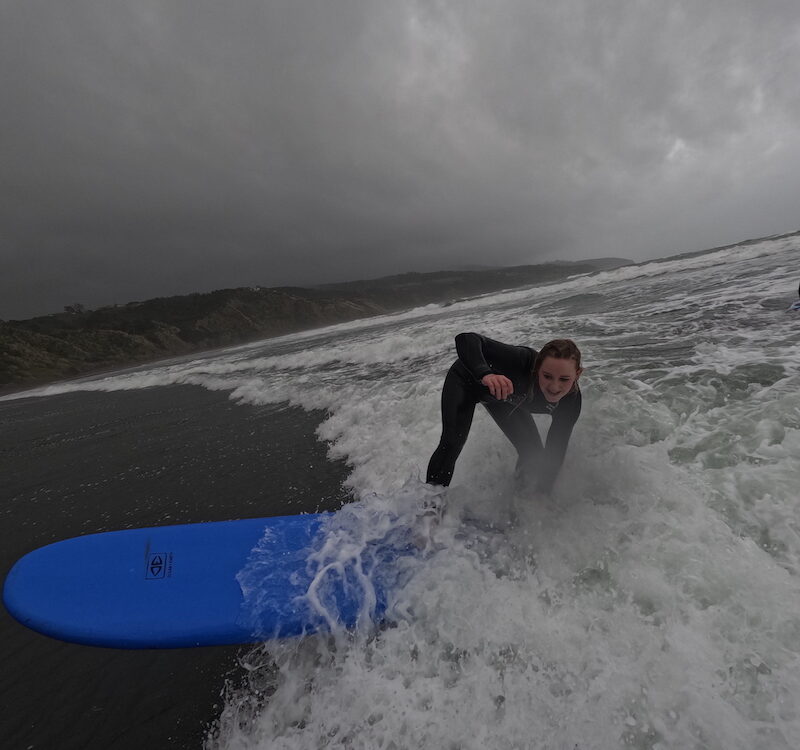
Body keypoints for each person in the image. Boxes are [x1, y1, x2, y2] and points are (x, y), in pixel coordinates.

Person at [426, 332, 583, 495]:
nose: (554, 387)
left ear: (577, 374)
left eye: (564, 379)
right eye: (547, 376)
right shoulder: (522, 361)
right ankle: (430, 509)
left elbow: (554, 457)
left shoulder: (570, 405)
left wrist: (543, 494)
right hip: (466, 381)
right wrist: (485, 374)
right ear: (537, 369)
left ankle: (519, 502)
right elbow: (466, 339)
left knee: (533, 453)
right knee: (452, 442)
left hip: (502, 397)